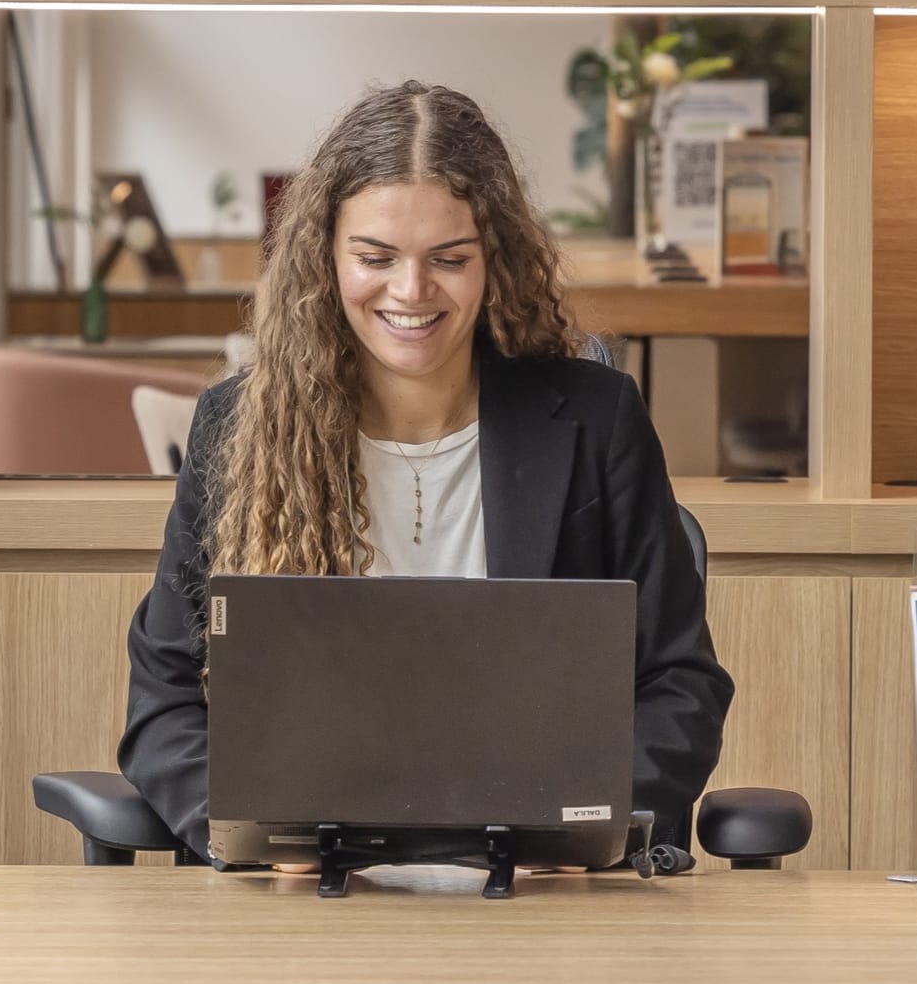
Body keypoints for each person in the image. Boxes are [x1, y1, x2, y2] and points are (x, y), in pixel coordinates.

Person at [118, 80, 734, 862]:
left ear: (494, 261)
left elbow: (682, 685)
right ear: (324, 257)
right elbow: (163, 700)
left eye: (449, 259)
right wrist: (253, 835)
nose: (411, 292)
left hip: (540, 896)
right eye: (375, 258)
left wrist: (592, 833)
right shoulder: (239, 428)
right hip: (309, 894)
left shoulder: (597, 421)